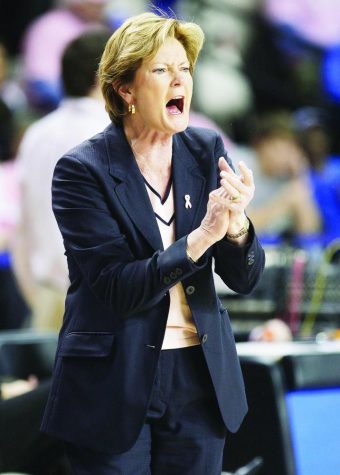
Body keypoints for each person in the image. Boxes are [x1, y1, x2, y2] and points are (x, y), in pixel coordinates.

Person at [41, 12, 265, 474]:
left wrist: (237, 223)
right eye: (162, 70)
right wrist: (202, 236)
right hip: (113, 380)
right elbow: (118, 286)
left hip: (199, 378)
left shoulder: (206, 150)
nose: (179, 80)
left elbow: (243, 278)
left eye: (184, 69)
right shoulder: (82, 171)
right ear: (125, 89)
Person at [13, 29, 110, 331]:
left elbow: (23, 229)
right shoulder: (112, 133)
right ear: (104, 76)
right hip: (101, 304)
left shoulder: (36, 134)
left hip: (47, 298)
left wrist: (38, 295)